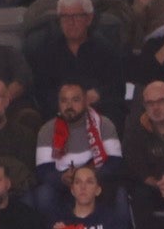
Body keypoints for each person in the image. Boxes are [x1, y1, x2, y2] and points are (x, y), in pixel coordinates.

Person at [31, 0, 127, 128]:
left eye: (76, 16)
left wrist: (97, 94)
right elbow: (42, 91)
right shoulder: (46, 51)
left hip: (98, 110)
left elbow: (117, 87)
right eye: (65, 17)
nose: (70, 22)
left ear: (89, 19)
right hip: (60, 113)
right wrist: (67, 102)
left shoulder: (106, 49)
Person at [33, 82, 124, 215]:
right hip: (64, 186)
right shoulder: (47, 130)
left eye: (75, 100)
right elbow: (43, 171)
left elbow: (115, 163)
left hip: (97, 181)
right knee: (43, 195)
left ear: (86, 101)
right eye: (64, 101)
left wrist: (87, 177)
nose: (69, 106)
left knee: (119, 193)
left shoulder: (104, 124)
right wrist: (62, 178)